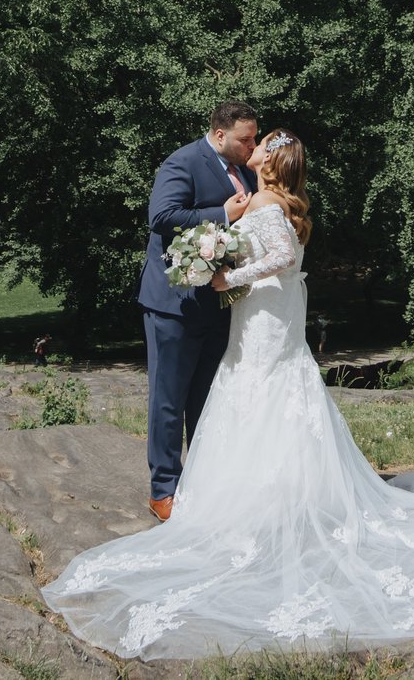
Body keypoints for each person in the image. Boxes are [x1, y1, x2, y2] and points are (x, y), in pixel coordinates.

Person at [48, 131, 414, 659]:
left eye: (262, 147)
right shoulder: (260, 198)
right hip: (260, 315)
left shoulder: (266, 204)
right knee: (249, 393)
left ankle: (265, 501)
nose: (253, 150)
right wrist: (223, 262)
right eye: (250, 139)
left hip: (265, 313)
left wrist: (228, 275)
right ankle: (245, 490)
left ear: (271, 164)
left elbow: (278, 255)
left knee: (262, 391)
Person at [136, 101, 259, 522]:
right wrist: (223, 214)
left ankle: (202, 484)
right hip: (174, 305)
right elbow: (163, 217)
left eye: (254, 138)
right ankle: (163, 490)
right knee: (169, 400)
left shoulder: (245, 169)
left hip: (218, 304)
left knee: (206, 400)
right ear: (220, 135)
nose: (252, 146)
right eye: (246, 139)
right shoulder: (182, 162)